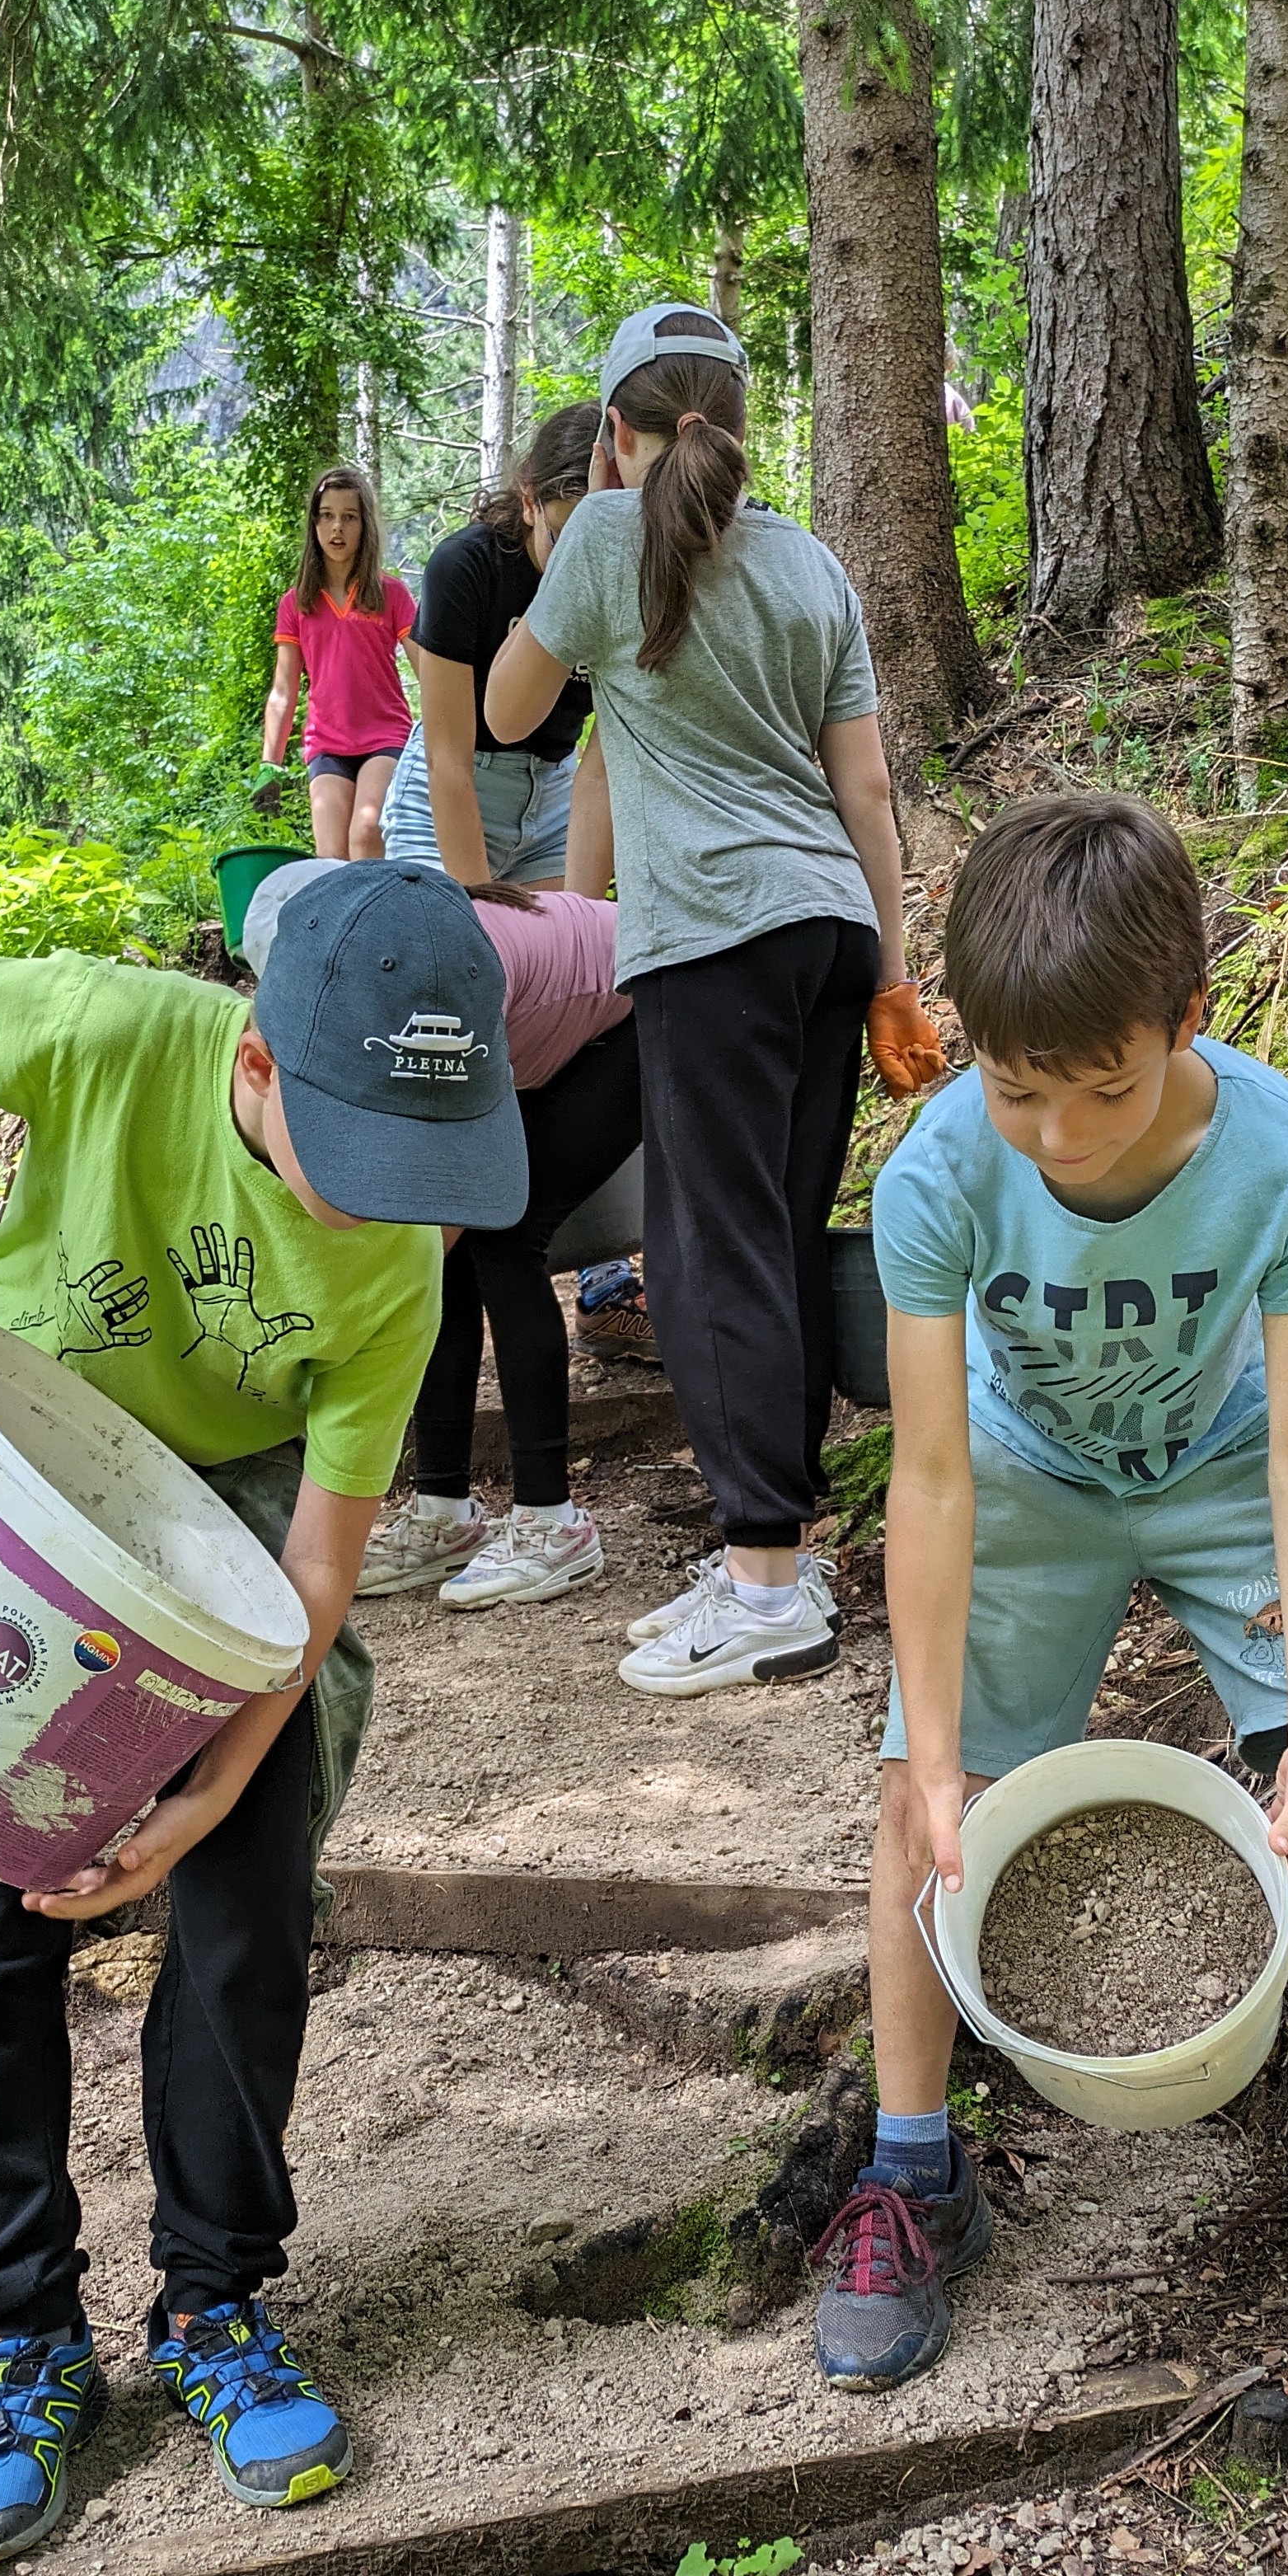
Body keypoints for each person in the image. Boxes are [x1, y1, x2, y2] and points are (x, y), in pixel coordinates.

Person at [0, 866, 527, 2560]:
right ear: (266, 1068)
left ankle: (213, 2302)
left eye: (423, 1176)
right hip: (34, 1497)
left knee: (242, 1912)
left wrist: (212, 1793)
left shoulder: (398, 1268)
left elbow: (313, 1577)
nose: (382, 1213)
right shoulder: (116, 1034)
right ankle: (19, 2340)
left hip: (231, 1544)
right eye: (354, 1164)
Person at [817, 790, 1288, 2399]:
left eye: (1102, 1088)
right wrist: (940, 1738)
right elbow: (936, 1478)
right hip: (1023, 1477)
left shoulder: (1278, 1151)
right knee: (915, 1786)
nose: (1062, 1135)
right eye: (1020, 1089)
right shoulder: (937, 1174)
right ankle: (909, 2169)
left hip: (1228, 1459)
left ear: (1185, 1017)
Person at [483, 299, 945, 1699]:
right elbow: (864, 787)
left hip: (710, 943)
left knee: (704, 1250)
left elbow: (509, 710)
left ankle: (763, 1583)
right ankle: (776, 1550)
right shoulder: (809, 560)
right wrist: (893, 966)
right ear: (738, 427)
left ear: (612, 436)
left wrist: (568, 545)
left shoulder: (607, 538)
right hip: (820, 933)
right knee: (778, 1236)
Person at [240, 860, 639, 1608]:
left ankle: (553, 1523)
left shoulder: (436, 976)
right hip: (531, 1038)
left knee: (504, 1240)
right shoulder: (379, 974)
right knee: (438, 1259)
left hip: (631, 1018)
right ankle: (443, 1513)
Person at [378, 404, 607, 892]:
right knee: (458, 959)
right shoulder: (465, 568)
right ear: (530, 502)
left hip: (554, 801)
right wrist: (477, 906)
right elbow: (448, 759)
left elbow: (604, 765)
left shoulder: (626, 578)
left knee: (554, 965)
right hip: (451, 794)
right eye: (563, 538)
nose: (581, 563)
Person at [260, 464, 416, 857]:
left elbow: (430, 672)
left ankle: (381, 919)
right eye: (327, 516)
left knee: (366, 833)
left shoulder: (390, 594)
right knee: (331, 858)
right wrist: (270, 764)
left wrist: (445, 739)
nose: (337, 529)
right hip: (327, 745)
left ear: (364, 525)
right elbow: (284, 690)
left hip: (386, 739)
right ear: (314, 525)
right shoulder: (296, 603)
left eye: (349, 517)